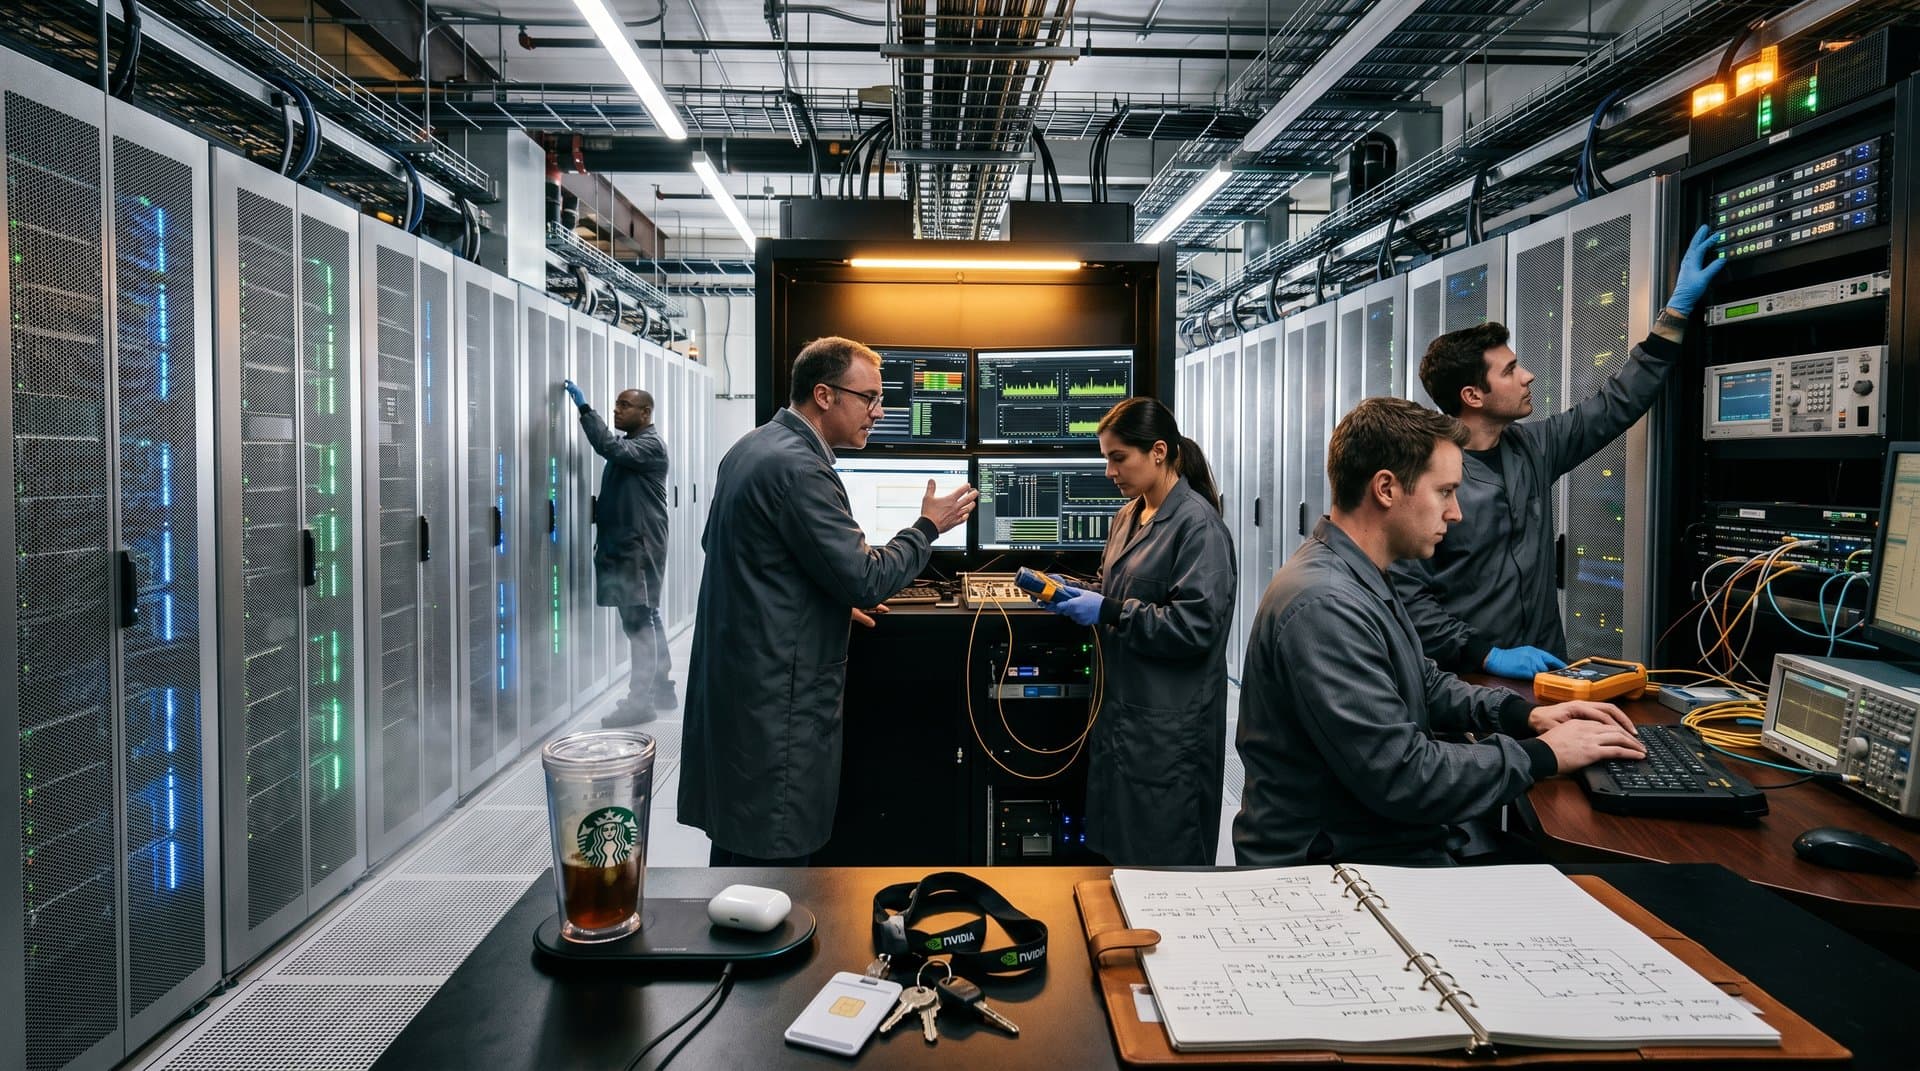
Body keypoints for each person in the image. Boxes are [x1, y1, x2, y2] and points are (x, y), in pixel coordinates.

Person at [1233, 397, 1647, 866]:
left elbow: (1422, 682)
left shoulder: (1356, 574)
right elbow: (1405, 776)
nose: (1456, 513)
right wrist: (1541, 756)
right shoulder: (1326, 604)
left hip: (1372, 842)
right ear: (1386, 488)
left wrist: (1521, 716)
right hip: (1336, 869)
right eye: (1445, 491)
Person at [678, 336, 978, 866]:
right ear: (824, 395)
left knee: (739, 854)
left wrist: (827, 602)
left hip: (742, 687)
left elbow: (752, 561)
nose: (878, 413)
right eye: (869, 399)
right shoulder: (801, 470)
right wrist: (929, 526)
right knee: (774, 865)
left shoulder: (752, 448)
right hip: (777, 698)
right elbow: (865, 576)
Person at [1391, 225, 1725, 679]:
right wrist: (1486, 655)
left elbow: (1614, 405)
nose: (1527, 376)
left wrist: (1675, 313)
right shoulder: (1425, 479)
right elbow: (1409, 600)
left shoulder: (1533, 446)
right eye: (1510, 370)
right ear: (1473, 396)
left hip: (1546, 673)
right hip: (1466, 681)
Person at [1033, 398, 1237, 865]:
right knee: (1121, 864)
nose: (1110, 471)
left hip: (1171, 733)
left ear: (1159, 452)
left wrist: (1107, 610)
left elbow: (1195, 628)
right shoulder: (1130, 515)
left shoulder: (1198, 527)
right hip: (1124, 723)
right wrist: (1073, 592)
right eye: (1106, 458)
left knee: (1168, 870)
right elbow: (1122, 591)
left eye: (1118, 457)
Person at [562, 380, 672, 725]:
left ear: (645, 412)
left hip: (636, 551)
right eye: (616, 405)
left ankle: (640, 703)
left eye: (624, 405)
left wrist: (584, 409)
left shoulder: (649, 445)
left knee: (638, 624)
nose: (616, 410)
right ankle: (662, 688)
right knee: (647, 619)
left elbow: (608, 447)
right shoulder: (636, 443)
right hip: (630, 548)